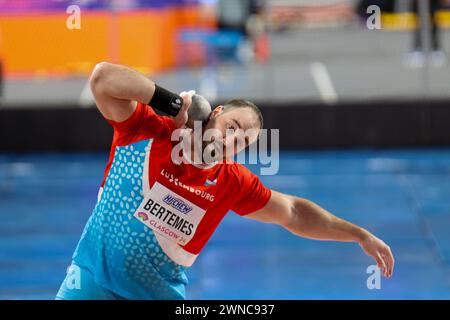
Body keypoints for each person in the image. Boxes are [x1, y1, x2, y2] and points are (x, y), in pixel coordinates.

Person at [56, 62, 394, 300]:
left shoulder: (231, 181)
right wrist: (170, 103)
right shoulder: (147, 130)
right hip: (89, 281)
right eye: (232, 129)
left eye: (243, 143)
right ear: (214, 115)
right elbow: (103, 79)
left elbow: (292, 212)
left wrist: (358, 234)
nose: (231, 143)